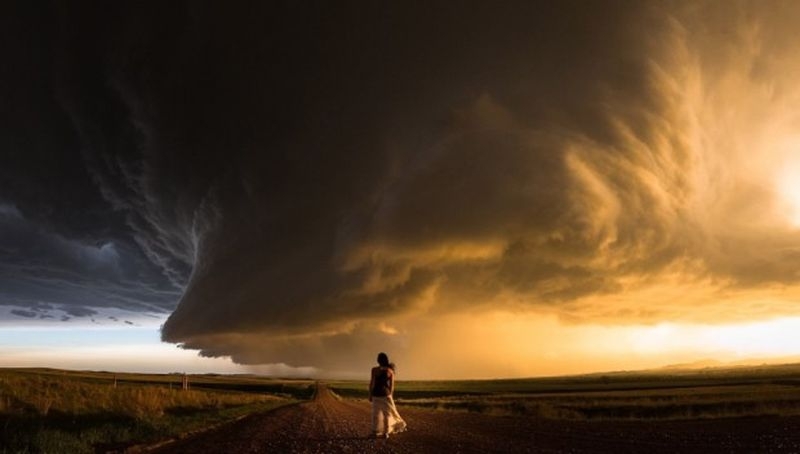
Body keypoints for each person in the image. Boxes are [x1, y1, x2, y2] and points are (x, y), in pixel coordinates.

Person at [369, 352, 405, 438]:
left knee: (375, 414)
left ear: (378, 360)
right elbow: (391, 386)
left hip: (376, 394)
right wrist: (390, 396)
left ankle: (375, 432)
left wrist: (370, 394)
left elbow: (372, 383)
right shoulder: (390, 371)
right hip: (386, 395)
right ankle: (386, 433)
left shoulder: (374, 370)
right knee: (387, 414)